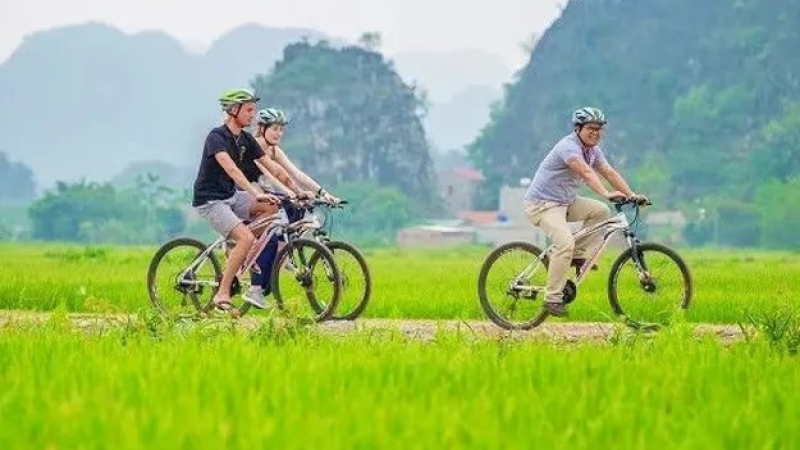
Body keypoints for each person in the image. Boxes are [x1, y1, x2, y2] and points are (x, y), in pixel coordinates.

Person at [523, 106, 648, 317]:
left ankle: (576, 255)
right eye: (590, 128)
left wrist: (631, 194)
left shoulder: (593, 151)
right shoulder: (568, 147)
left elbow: (608, 172)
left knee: (600, 212)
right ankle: (552, 298)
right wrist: (606, 193)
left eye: (599, 129)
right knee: (564, 243)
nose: (595, 133)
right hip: (542, 204)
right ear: (578, 129)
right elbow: (587, 173)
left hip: (565, 202)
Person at [191, 88, 283, 312]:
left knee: (272, 207)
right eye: (249, 110)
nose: (253, 115)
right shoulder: (216, 137)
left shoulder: (245, 139)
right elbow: (232, 170)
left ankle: (241, 250)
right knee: (246, 237)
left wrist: (297, 192)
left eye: (254, 110)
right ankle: (222, 294)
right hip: (210, 201)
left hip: (230, 196)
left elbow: (273, 168)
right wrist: (255, 193)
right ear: (234, 110)